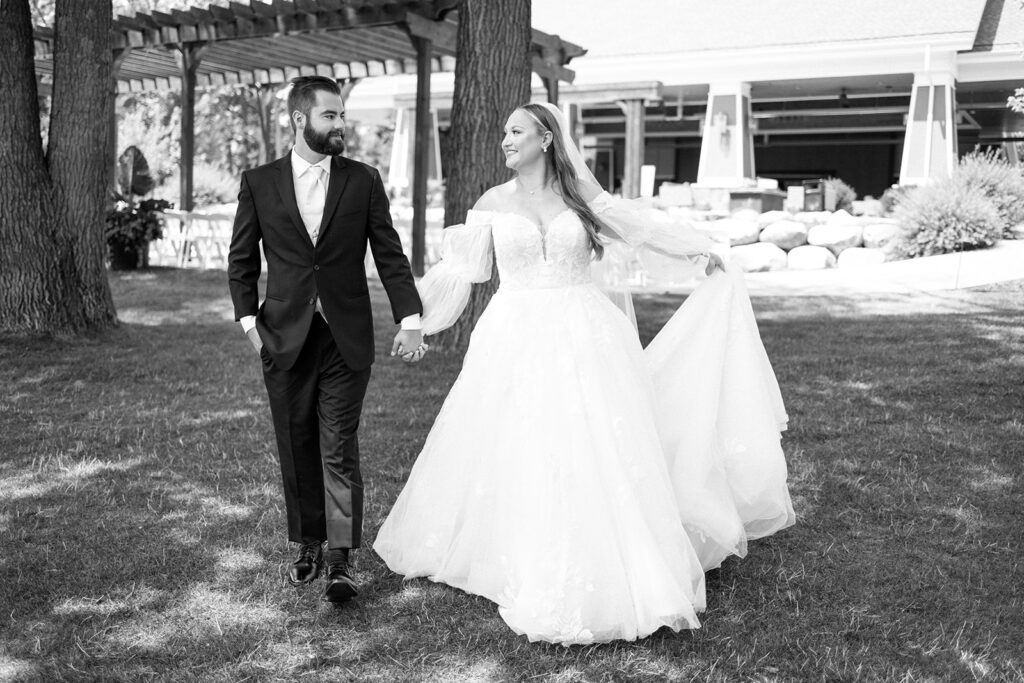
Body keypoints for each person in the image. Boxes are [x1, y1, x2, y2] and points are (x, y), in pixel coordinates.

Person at [373, 102, 796, 644]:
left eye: (516, 131)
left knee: (592, 437)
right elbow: (460, 273)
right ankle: (516, 546)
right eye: (503, 131)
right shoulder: (491, 203)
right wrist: (417, 322)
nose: (505, 140)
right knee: (519, 436)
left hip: (584, 332)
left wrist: (699, 253)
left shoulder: (582, 199)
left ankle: (604, 544)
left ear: (547, 139)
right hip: (514, 334)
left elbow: (639, 231)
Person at [228, 76, 427, 604]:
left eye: (342, 116)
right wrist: (251, 327)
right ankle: (308, 544)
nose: (341, 125)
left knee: (338, 446)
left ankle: (340, 560)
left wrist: (410, 317)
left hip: (346, 336)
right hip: (283, 336)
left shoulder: (363, 180)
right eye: (330, 116)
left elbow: (389, 253)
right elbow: (242, 261)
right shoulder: (259, 181)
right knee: (296, 445)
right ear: (300, 119)